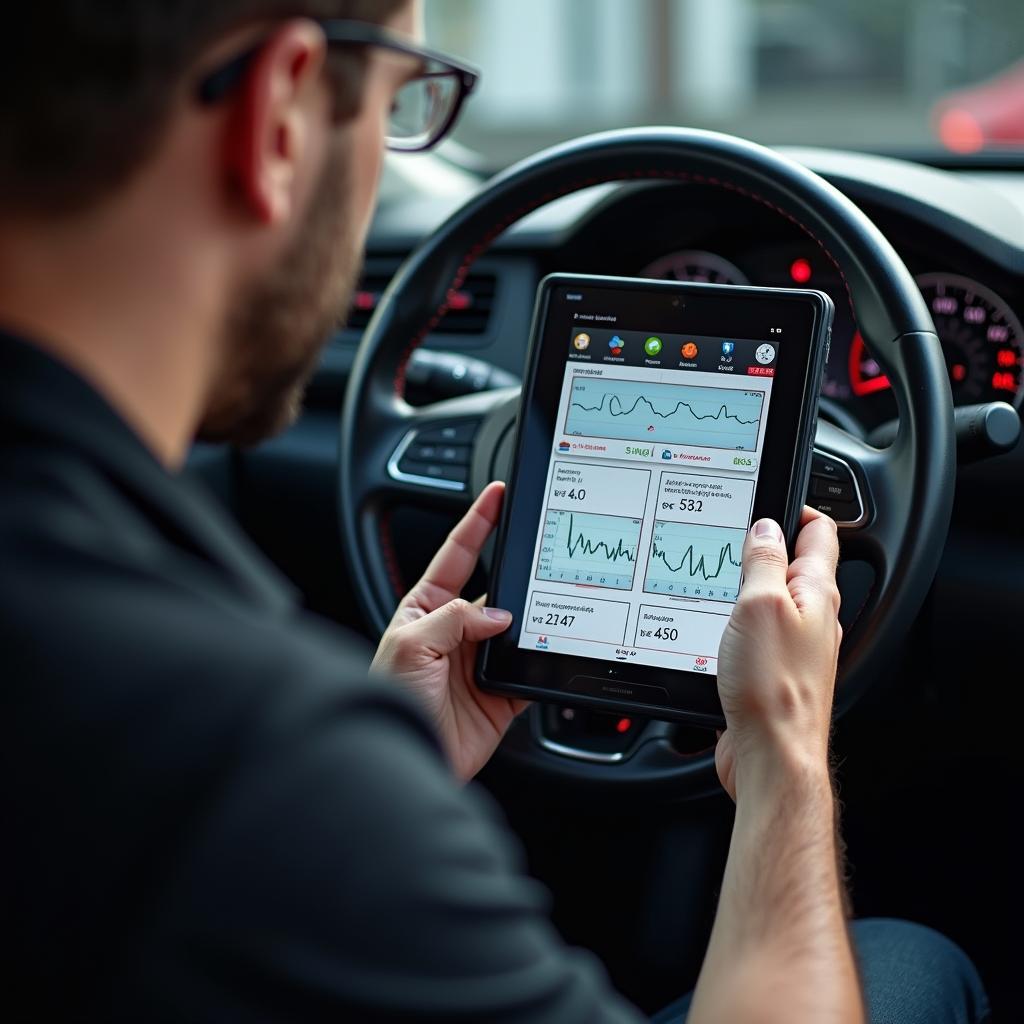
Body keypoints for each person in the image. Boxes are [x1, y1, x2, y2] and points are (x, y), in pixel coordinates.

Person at [0, 2, 989, 1022]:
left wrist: (389, 764)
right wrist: (781, 752)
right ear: (281, 113)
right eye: (397, 106)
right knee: (911, 959)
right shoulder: (252, 759)